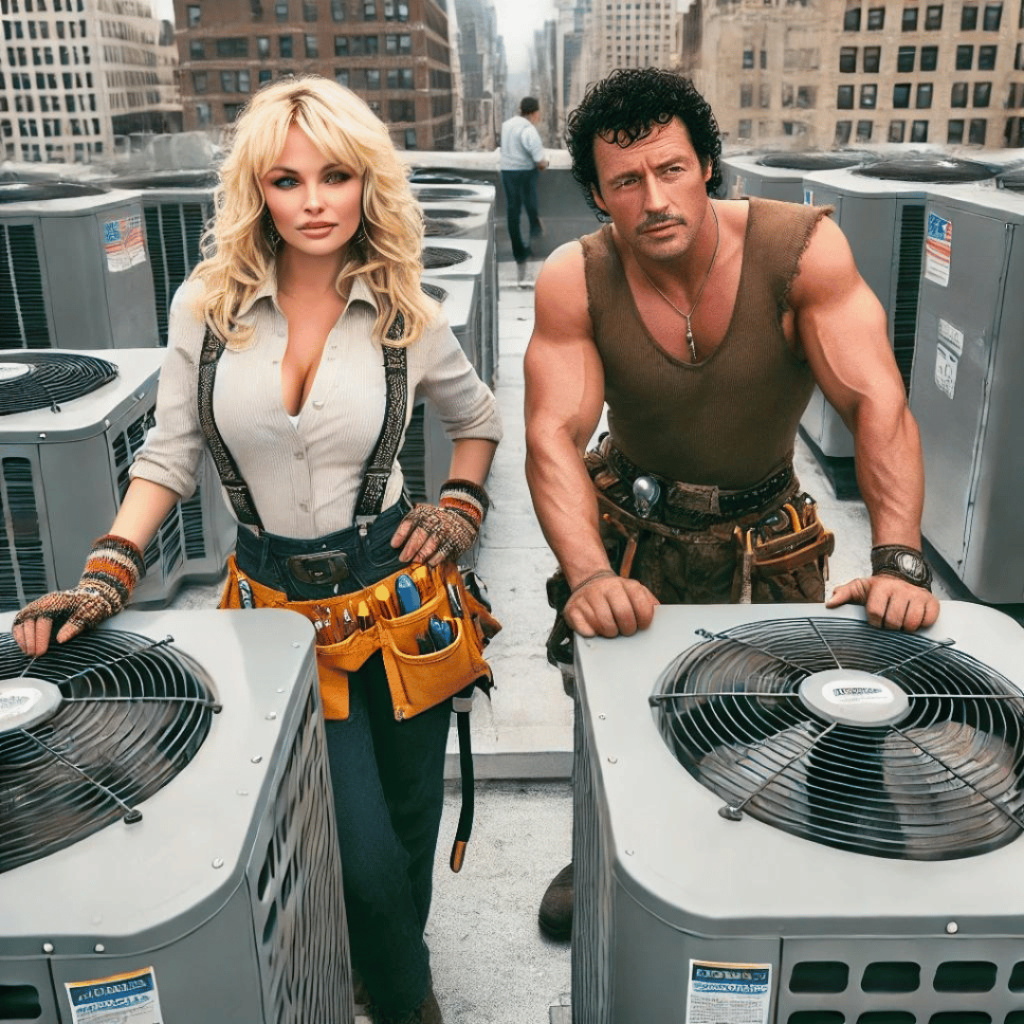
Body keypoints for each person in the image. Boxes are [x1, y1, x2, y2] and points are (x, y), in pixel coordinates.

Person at [12, 76, 501, 1024]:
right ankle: (408, 1001)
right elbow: (171, 451)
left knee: (405, 825)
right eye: (287, 180)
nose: (313, 202)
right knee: (352, 842)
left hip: (402, 599)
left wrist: (458, 507)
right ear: (257, 191)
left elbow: (476, 418)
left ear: (367, 185)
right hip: (273, 609)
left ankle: (393, 966)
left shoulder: (405, 305)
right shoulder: (209, 305)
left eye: (334, 176)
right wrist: (107, 570)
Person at [523, 67, 940, 941]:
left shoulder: (801, 249)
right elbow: (551, 436)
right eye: (627, 181)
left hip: (766, 533)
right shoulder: (576, 278)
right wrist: (589, 574)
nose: (655, 198)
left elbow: (877, 402)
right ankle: (598, 844)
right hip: (634, 530)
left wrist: (898, 558)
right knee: (611, 707)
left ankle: (770, 862)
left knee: (786, 713)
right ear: (599, 197)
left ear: (708, 165)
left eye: (672, 169)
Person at [499, 96, 549, 287]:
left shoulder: (507, 125)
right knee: (530, 207)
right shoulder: (528, 129)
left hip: (507, 172)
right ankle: (533, 238)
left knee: (513, 211)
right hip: (525, 173)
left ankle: (518, 250)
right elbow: (539, 159)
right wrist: (544, 163)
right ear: (534, 112)